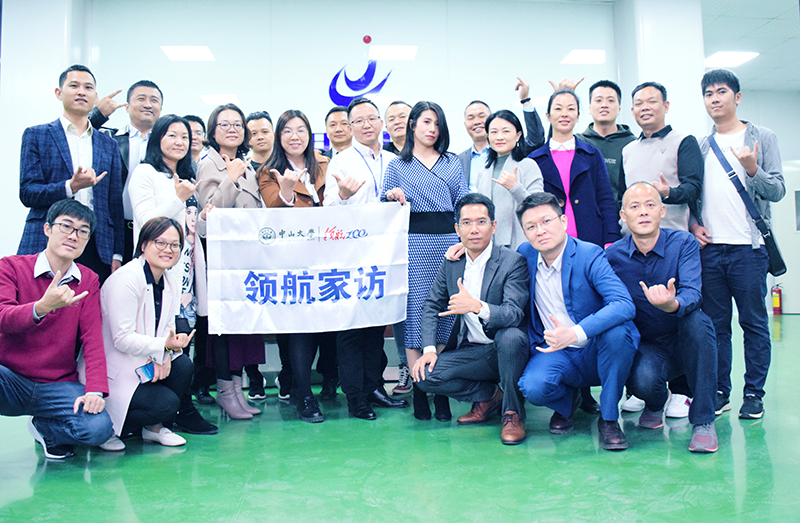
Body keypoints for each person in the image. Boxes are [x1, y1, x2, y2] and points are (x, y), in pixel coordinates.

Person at [694, 69, 785, 420]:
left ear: (737, 97)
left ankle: (754, 394)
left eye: (721, 92)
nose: (715, 99)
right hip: (710, 250)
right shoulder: (702, 145)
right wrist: (693, 224)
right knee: (716, 327)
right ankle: (721, 392)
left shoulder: (762, 137)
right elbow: (695, 197)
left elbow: (777, 190)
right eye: (708, 94)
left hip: (749, 249)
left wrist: (752, 169)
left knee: (754, 324)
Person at [516, 192, 638, 451]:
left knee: (617, 334)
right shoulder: (525, 255)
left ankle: (609, 419)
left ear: (563, 221)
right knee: (533, 387)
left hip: (595, 347)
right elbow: (494, 261)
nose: (540, 231)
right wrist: (463, 249)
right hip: (557, 351)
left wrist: (576, 333)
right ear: (524, 233)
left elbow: (623, 303)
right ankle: (568, 402)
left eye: (546, 221)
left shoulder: (588, 254)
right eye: (531, 226)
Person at [607, 183, 718, 453]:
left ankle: (703, 421)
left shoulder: (683, 243)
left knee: (699, 323)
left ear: (662, 211)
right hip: (647, 345)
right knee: (643, 380)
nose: (643, 212)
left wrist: (672, 304)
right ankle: (655, 403)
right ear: (623, 215)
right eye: (635, 206)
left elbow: (693, 292)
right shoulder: (612, 256)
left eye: (650, 205)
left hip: (684, 338)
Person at [1, 199, 115, 459]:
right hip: (10, 378)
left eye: (83, 231)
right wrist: (41, 307)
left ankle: (45, 428)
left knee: (98, 430)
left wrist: (95, 390)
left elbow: (92, 338)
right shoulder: (11, 266)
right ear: (47, 229)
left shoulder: (88, 279)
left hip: (56, 384)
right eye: (66, 226)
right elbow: (2, 318)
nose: (73, 236)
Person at [127, 114, 217, 435]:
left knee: (184, 341)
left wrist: (203, 218)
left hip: (187, 272)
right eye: (172, 135)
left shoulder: (187, 176)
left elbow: (190, 229)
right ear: (157, 139)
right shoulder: (145, 173)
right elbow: (147, 222)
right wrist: (177, 197)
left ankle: (179, 407)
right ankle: (163, 411)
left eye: (185, 137)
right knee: (162, 342)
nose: (180, 142)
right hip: (158, 273)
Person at [414, 193, 530, 444]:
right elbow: (431, 304)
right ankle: (490, 396)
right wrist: (429, 350)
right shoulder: (452, 262)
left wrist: (477, 307)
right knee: (424, 375)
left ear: (493, 226)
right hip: (473, 352)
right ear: (457, 229)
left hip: (506, 348)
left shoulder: (512, 261)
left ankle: (512, 413)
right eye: (466, 223)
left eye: (481, 222)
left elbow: (514, 313)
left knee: (510, 336)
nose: (474, 229)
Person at [619, 81, 704, 415]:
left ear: (666, 106)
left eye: (652, 101)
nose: (645, 107)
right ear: (632, 110)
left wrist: (667, 194)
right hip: (635, 246)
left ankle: (682, 390)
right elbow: (622, 194)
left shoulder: (683, 141)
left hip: (673, 243)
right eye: (639, 103)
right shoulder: (628, 149)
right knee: (639, 313)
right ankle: (641, 387)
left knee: (678, 314)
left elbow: (694, 188)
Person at [382, 101, 468, 421]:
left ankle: (438, 387)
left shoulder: (452, 162)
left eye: (437, 124)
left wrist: (463, 239)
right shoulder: (396, 165)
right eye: (426, 122)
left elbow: (463, 202)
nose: (432, 129)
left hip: (448, 244)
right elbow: (381, 204)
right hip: (413, 244)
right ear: (413, 125)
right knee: (415, 316)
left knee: (445, 313)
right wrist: (390, 197)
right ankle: (420, 390)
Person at [323, 97, 408, 419]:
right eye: (358, 121)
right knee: (351, 328)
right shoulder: (341, 162)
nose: (366, 125)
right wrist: (344, 196)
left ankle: (374, 387)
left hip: (387, 255)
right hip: (351, 256)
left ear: (381, 123)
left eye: (372, 118)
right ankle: (355, 396)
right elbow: (328, 211)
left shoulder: (395, 160)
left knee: (375, 326)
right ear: (350, 127)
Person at [257, 109, 336, 423]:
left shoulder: (326, 164)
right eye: (287, 130)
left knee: (323, 328)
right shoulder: (268, 171)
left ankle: (314, 381)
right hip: (290, 261)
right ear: (279, 137)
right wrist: (287, 191)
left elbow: (339, 207)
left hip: (328, 259)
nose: (295, 136)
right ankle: (304, 395)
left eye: (301, 129)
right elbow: (271, 211)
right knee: (300, 327)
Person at [18, 64, 124, 285]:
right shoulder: (37, 135)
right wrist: (70, 187)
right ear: (59, 93)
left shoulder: (109, 144)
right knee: (40, 303)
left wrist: (117, 253)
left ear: (96, 97)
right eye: (74, 86)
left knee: (89, 304)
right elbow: (27, 192)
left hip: (96, 244)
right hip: (46, 239)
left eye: (88, 87)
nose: (81, 92)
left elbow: (114, 202)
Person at [101, 217, 195, 448]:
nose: (168, 250)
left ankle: (153, 429)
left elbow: (166, 328)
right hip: (117, 367)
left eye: (175, 245)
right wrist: (163, 348)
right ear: (143, 245)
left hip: (143, 360)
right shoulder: (126, 279)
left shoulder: (169, 281)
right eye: (160, 243)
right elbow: (122, 339)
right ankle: (109, 429)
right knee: (166, 403)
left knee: (183, 366)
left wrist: (166, 355)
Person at [196, 103, 264, 420]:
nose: (233, 129)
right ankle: (225, 391)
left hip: (247, 257)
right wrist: (231, 180)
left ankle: (238, 390)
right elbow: (209, 212)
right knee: (223, 327)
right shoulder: (208, 164)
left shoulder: (246, 164)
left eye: (238, 124)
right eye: (225, 124)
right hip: (222, 257)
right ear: (213, 131)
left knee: (241, 328)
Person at [88, 80, 164, 263]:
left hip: (156, 230)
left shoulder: (168, 145)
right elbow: (78, 135)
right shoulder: (109, 138)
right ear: (127, 107)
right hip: (113, 228)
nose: (148, 104)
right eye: (141, 99)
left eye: (154, 100)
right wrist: (98, 115)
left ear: (161, 109)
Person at [457, 78, 546, 191]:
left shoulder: (516, 154)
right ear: (465, 124)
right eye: (471, 118)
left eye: (481, 116)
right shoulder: (460, 160)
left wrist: (525, 101)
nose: (477, 122)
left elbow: (536, 140)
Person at [472, 110, 543, 249]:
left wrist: (515, 188)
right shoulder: (484, 171)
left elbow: (539, 208)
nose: (499, 137)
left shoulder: (528, 165)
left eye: (506, 131)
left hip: (520, 244)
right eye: (494, 132)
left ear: (518, 135)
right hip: (488, 246)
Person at [575, 80, 636, 211]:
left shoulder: (633, 144)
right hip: (586, 215)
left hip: (625, 217)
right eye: (598, 100)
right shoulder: (577, 143)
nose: (604, 105)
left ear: (619, 109)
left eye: (610, 100)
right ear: (590, 108)